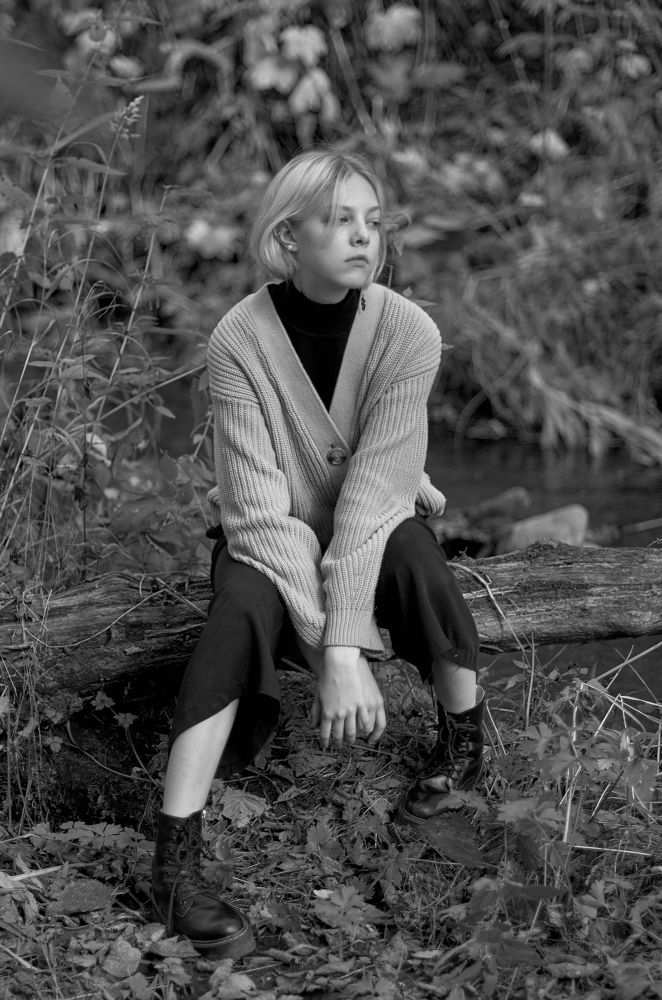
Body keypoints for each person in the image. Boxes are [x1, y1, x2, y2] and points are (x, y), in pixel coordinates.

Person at [151, 148, 483, 958]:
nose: (364, 236)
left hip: (374, 513)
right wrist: (330, 639)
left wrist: (343, 643)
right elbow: (258, 514)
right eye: (339, 221)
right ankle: (174, 859)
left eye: (374, 221)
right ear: (287, 237)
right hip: (271, 526)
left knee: (415, 556)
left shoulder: (408, 332)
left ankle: (464, 746)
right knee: (238, 605)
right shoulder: (239, 339)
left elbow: (371, 495)